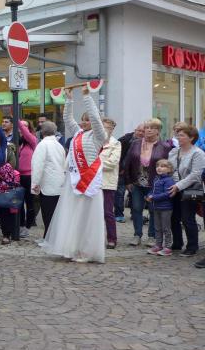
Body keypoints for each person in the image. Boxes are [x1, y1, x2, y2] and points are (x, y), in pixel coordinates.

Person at [41, 88, 109, 263]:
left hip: (89, 184)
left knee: (86, 219)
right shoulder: (78, 134)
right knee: (73, 217)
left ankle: (86, 251)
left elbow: (96, 119)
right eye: (83, 120)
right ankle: (72, 248)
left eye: (87, 120)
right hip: (74, 182)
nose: (84, 122)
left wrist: (87, 96)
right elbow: (67, 119)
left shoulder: (99, 136)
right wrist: (69, 99)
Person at [124, 119, 173, 246]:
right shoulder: (135, 143)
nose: (149, 130)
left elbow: (169, 166)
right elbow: (128, 162)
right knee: (136, 208)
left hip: (155, 184)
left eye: (152, 128)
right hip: (136, 183)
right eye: (147, 128)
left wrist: (166, 183)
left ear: (158, 131)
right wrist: (127, 181)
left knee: (153, 210)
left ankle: (152, 236)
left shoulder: (165, 146)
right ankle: (137, 235)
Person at [168, 125, 205, 256]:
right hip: (173, 188)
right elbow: (170, 169)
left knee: (187, 218)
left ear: (191, 138)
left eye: (182, 135)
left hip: (189, 189)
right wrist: (172, 184)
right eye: (178, 135)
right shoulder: (174, 151)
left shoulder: (198, 153)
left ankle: (192, 246)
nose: (178, 137)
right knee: (173, 217)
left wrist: (179, 186)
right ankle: (177, 243)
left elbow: (195, 174)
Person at [30, 121, 66, 239]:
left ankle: (48, 238)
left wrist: (35, 184)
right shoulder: (59, 145)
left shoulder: (42, 145)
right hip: (59, 183)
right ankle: (52, 237)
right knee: (55, 213)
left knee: (47, 213)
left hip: (47, 184)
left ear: (42, 132)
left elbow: (38, 166)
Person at [116, 124, 145, 222]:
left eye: (143, 131)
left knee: (134, 193)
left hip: (135, 172)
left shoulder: (146, 142)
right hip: (122, 171)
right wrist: (120, 168)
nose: (141, 133)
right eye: (139, 130)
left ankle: (135, 214)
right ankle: (119, 214)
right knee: (120, 193)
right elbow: (117, 155)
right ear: (135, 130)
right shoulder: (124, 140)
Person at [100, 118, 122, 249]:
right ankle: (95, 239)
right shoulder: (95, 141)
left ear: (112, 129)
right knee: (93, 213)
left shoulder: (116, 144)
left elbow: (112, 163)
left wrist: (94, 163)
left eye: (107, 127)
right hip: (92, 182)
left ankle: (112, 239)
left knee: (108, 212)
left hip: (107, 182)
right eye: (102, 127)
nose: (104, 130)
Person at [146, 159, 175, 256]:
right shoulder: (156, 179)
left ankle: (168, 247)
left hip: (166, 208)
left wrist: (153, 197)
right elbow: (152, 190)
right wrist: (149, 195)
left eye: (163, 166)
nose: (159, 168)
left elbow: (168, 194)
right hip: (156, 207)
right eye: (158, 166)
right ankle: (158, 245)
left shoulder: (169, 180)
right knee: (157, 228)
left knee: (166, 228)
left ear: (169, 169)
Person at [16, 120, 37, 233]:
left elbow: (26, 133)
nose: (22, 128)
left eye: (25, 126)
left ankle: (28, 226)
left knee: (29, 202)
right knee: (19, 202)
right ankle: (21, 224)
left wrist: (18, 121)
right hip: (19, 176)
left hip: (29, 176)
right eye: (21, 126)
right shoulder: (19, 142)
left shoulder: (32, 140)